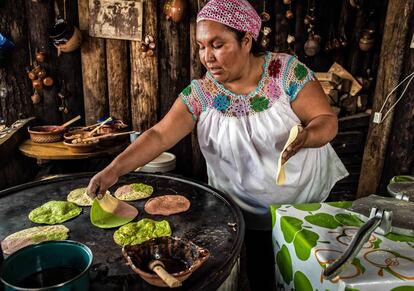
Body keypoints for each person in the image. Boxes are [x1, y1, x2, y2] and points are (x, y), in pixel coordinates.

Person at [87, 0, 348, 289]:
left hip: (301, 203)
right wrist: (113, 171)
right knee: (262, 273)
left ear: (246, 40)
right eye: (201, 46)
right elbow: (159, 135)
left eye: (217, 44)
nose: (207, 57)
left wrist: (308, 137)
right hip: (241, 206)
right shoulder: (203, 93)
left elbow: (325, 119)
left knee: (312, 274)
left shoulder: (285, 73)